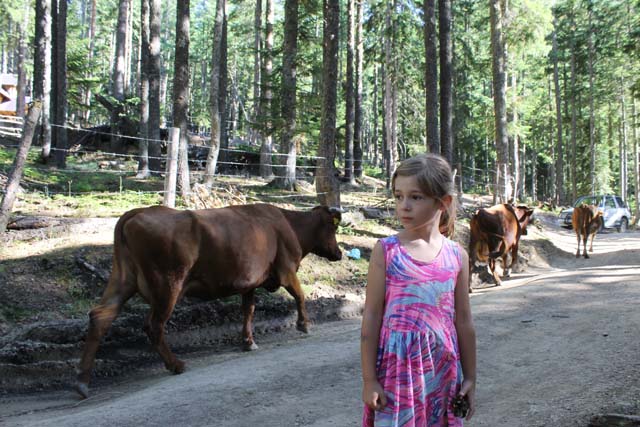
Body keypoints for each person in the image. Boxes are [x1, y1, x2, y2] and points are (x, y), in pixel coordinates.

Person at [361, 153, 477, 426]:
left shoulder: (456, 255)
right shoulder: (387, 251)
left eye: (416, 197)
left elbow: (463, 321)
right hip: (397, 373)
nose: (404, 206)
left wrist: (470, 377)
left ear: (443, 202)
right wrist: (369, 380)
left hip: (443, 372)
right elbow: (372, 316)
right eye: (398, 196)